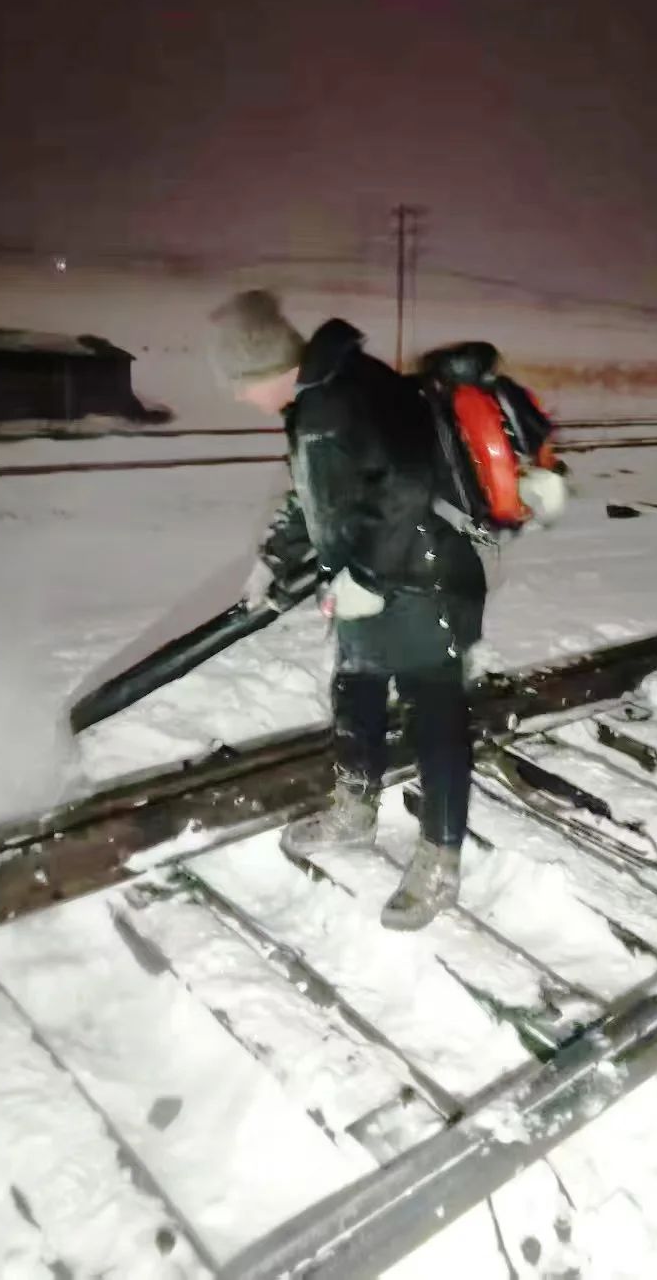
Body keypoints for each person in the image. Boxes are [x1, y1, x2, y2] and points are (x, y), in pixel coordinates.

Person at [208, 288, 489, 931]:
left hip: (425, 580)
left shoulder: (342, 399)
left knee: (436, 716)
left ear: (263, 369)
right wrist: (274, 558)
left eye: (240, 385)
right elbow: (317, 492)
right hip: (374, 583)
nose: (241, 399)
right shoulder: (315, 401)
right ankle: (355, 809)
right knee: (356, 687)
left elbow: (408, 485)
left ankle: (440, 861)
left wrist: (366, 574)